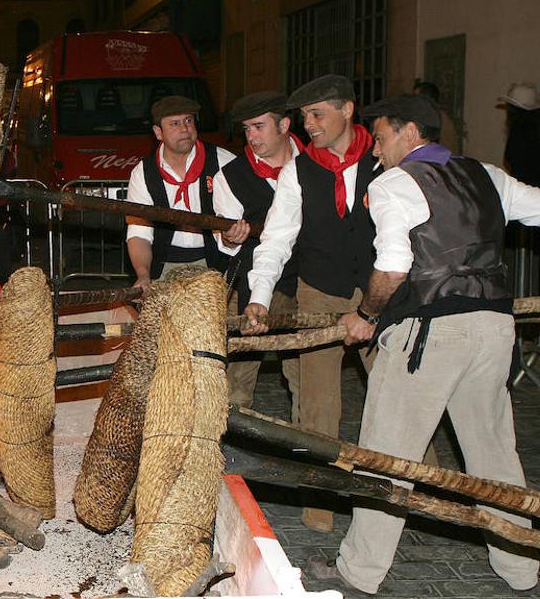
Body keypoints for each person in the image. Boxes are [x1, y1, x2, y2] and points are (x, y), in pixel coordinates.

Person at [305, 94, 540, 594]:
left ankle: (359, 572)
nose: (377, 151)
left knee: (387, 453)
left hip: (429, 333)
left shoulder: (395, 183)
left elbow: (393, 264)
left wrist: (367, 314)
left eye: (383, 137)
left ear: (411, 133)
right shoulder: (488, 175)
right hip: (494, 328)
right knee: (493, 450)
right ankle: (521, 567)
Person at [243, 74, 378, 532]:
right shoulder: (297, 171)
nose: (309, 125)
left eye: (317, 115)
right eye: (303, 118)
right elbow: (277, 238)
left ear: (347, 110)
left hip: (380, 292)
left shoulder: (387, 160)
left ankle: (412, 493)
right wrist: (259, 298)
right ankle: (320, 507)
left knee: (398, 394)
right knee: (318, 406)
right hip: (319, 290)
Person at [212, 92, 303, 409]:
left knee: (304, 374)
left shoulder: (317, 164)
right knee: (240, 373)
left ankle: (306, 447)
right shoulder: (231, 176)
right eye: (246, 129)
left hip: (310, 278)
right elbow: (223, 240)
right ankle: (232, 442)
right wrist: (231, 237)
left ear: (285, 125)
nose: (251, 136)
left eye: (259, 126)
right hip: (255, 279)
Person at [125, 95, 235, 291]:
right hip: (163, 266)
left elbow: (236, 221)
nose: (185, 129)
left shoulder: (224, 163)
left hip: (216, 266)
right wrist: (143, 275)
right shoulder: (143, 173)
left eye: (189, 120)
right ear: (158, 132)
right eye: (175, 123)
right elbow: (139, 233)